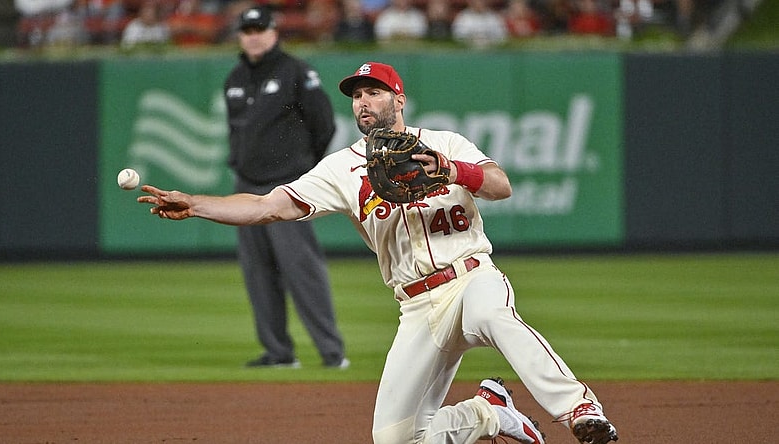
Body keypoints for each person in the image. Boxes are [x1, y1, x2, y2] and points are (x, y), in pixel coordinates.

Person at [138, 61, 620, 444]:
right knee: (394, 438)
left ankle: (579, 409)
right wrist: (197, 204)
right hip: (415, 305)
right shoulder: (343, 168)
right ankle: (489, 414)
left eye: (374, 91)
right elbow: (268, 206)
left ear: (399, 98)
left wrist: (453, 171)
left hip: (471, 276)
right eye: (356, 95)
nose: (363, 102)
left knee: (496, 317)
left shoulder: (443, 143)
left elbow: (500, 186)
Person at [220, 5, 348, 369]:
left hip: (286, 185)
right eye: (247, 30)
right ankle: (278, 353)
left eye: (260, 28)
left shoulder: (296, 71)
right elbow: (236, 130)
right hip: (247, 185)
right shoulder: (235, 78)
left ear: (274, 32)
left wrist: (303, 171)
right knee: (258, 272)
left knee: (301, 269)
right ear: (240, 36)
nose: (254, 35)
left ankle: (331, 352)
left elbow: (324, 124)